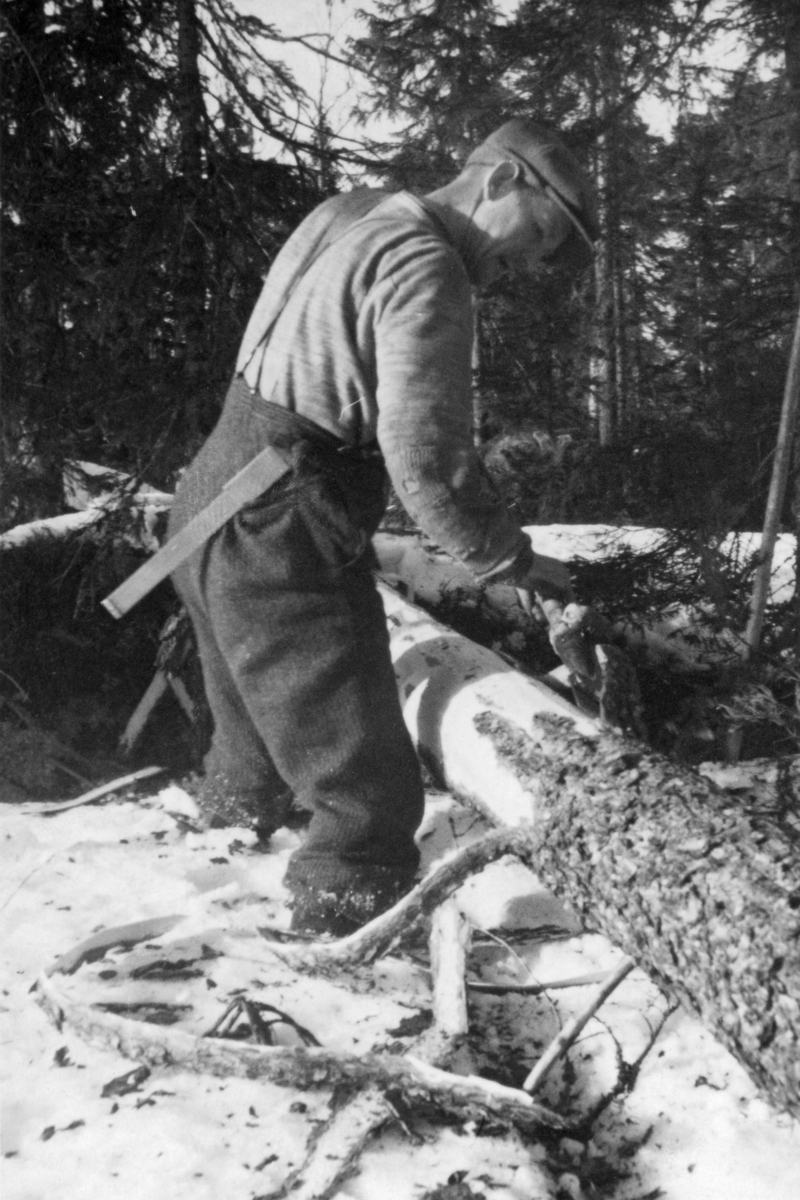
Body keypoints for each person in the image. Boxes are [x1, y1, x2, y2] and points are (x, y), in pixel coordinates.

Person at [169, 118, 600, 937]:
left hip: (213, 490)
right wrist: (507, 557)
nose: (531, 262)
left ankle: (218, 842)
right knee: (367, 792)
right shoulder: (427, 264)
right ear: (501, 181)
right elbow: (425, 457)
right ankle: (347, 937)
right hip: (279, 520)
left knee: (253, 731)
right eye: (540, 234)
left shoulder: (351, 211)